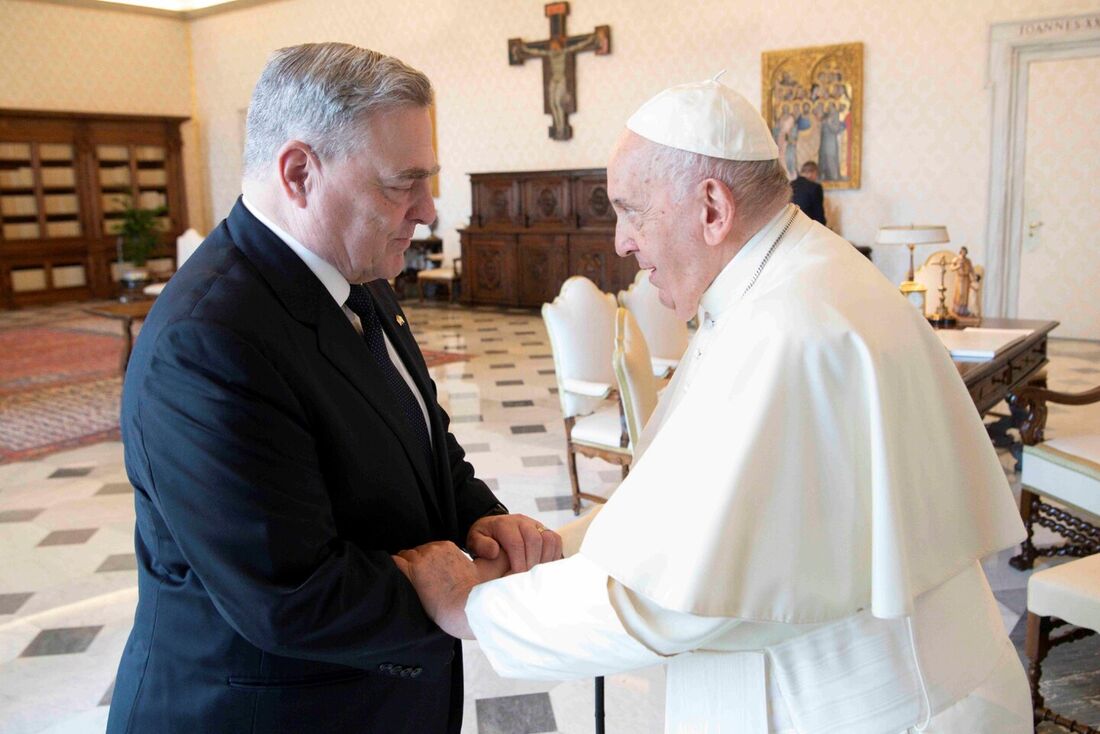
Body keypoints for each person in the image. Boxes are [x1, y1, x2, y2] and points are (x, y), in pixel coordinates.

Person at [397, 78, 1031, 733]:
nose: (620, 242)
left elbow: (669, 599)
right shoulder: (780, 282)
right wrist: (560, 548)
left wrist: (474, 606)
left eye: (632, 210)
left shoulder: (788, 327)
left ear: (711, 208)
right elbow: (683, 516)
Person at [106, 42, 560, 734]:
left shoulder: (360, 276)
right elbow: (287, 593)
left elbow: (424, 442)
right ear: (298, 174)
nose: (428, 211)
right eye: (401, 183)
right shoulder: (207, 342)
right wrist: (430, 589)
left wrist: (481, 519)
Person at [790, 160, 826, 225]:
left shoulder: (790, 185)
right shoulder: (815, 187)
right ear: (812, 173)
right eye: (816, 174)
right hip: (808, 227)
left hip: (790, 226)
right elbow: (819, 214)